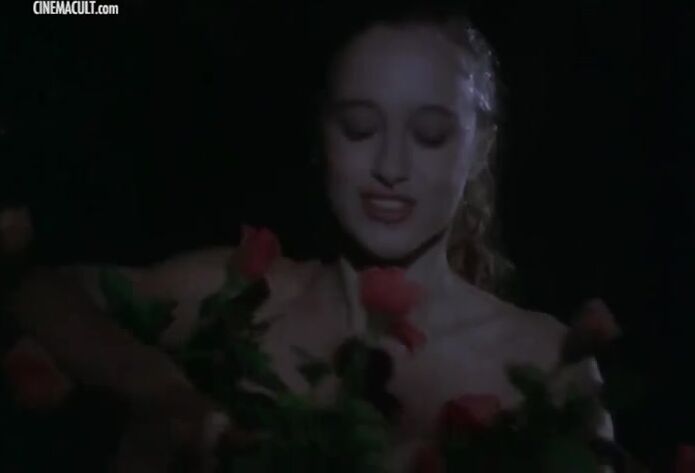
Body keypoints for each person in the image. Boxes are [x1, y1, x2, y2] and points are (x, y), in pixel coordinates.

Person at [1, 4, 613, 472]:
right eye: (359, 127)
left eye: (429, 134)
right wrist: (159, 390)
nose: (390, 165)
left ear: (478, 150)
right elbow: (33, 288)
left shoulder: (544, 360)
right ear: (322, 134)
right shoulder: (241, 296)